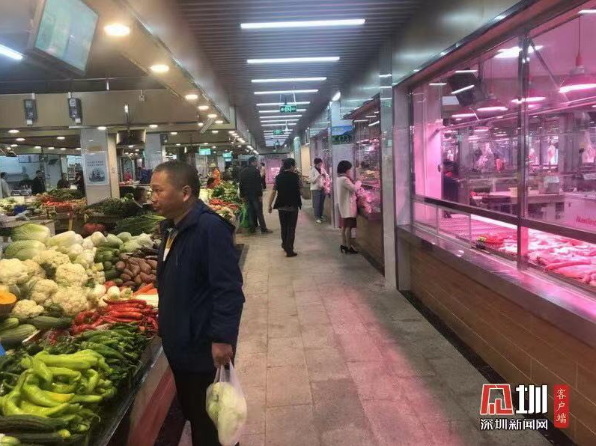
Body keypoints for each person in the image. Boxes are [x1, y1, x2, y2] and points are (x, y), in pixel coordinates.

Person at [151, 161, 244, 446]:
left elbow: (228, 289)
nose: (152, 198)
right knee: (195, 412)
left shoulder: (210, 229)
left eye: (158, 191)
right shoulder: (172, 228)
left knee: (212, 421)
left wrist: (222, 338)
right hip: (180, 343)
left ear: (185, 192)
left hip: (202, 346)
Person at [268, 158, 302, 257]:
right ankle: (289, 250)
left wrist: (269, 205)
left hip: (281, 206)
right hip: (293, 206)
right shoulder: (296, 177)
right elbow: (301, 191)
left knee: (284, 227)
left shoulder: (278, 177)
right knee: (291, 228)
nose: (295, 167)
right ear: (291, 166)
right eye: (294, 165)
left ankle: (284, 245)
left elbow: (273, 192)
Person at [239, 156, 271, 234]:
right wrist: (260, 195)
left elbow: (241, 184)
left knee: (250, 212)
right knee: (259, 212)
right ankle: (263, 229)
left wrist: (242, 196)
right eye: (256, 161)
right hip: (255, 195)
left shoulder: (243, 171)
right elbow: (258, 184)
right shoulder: (256, 171)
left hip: (246, 195)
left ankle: (252, 229)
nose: (257, 163)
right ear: (252, 162)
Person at [336, 160, 360, 254]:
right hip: (348, 207)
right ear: (346, 170)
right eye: (349, 169)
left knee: (344, 226)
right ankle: (349, 247)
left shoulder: (339, 178)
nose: (350, 171)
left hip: (344, 206)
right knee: (348, 228)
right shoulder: (344, 179)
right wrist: (359, 181)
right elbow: (354, 188)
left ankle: (344, 245)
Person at [309, 158, 329, 224]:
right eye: (319, 164)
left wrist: (325, 176)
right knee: (317, 204)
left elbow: (327, 176)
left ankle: (321, 215)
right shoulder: (312, 170)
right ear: (315, 164)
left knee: (321, 204)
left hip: (322, 188)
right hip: (315, 189)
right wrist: (318, 176)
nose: (320, 165)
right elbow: (311, 180)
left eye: (321, 164)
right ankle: (317, 217)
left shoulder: (322, 169)